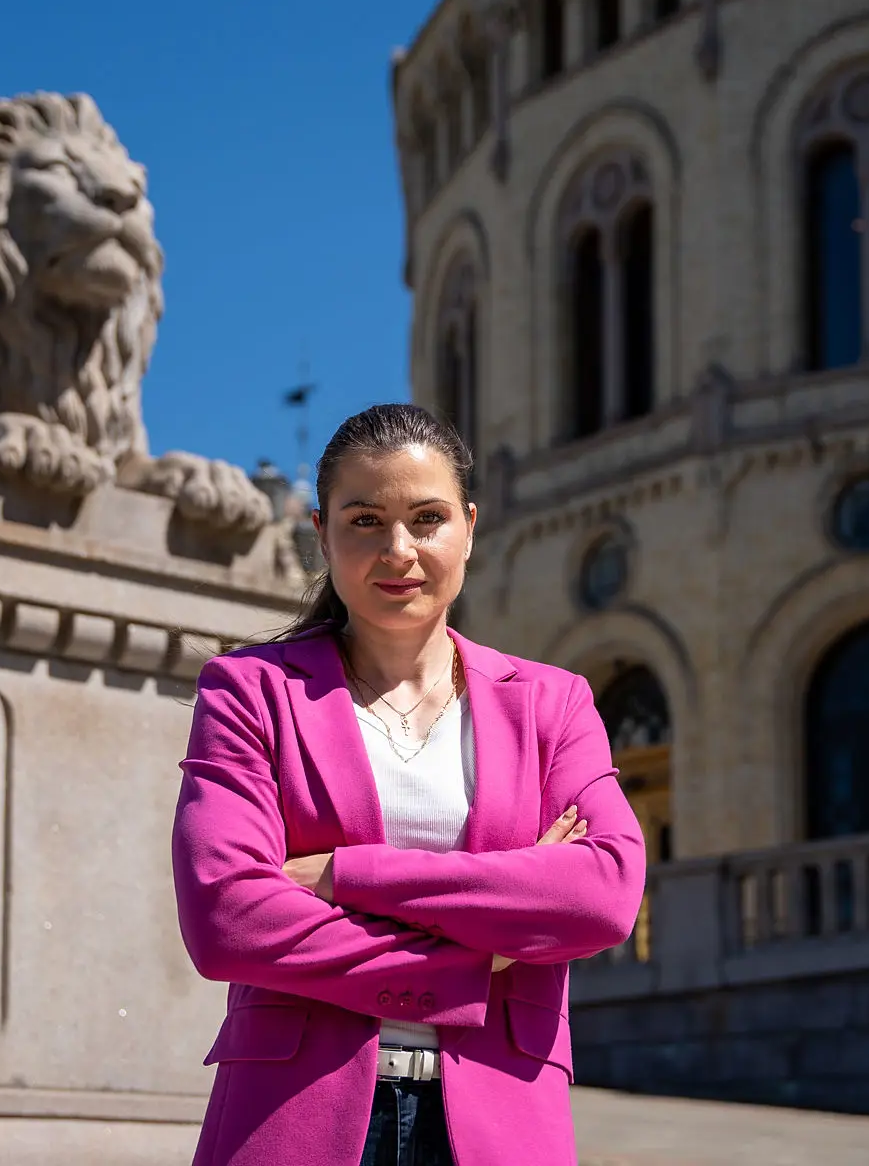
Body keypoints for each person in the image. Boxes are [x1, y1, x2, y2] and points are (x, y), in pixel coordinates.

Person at [171, 403, 648, 1166]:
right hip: (294, 1116)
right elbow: (227, 916)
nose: (399, 550)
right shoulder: (250, 691)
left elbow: (603, 894)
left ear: (468, 528)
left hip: (501, 1121)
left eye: (428, 519)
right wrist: (475, 958)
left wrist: (346, 875)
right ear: (322, 533)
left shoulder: (552, 704)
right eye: (365, 521)